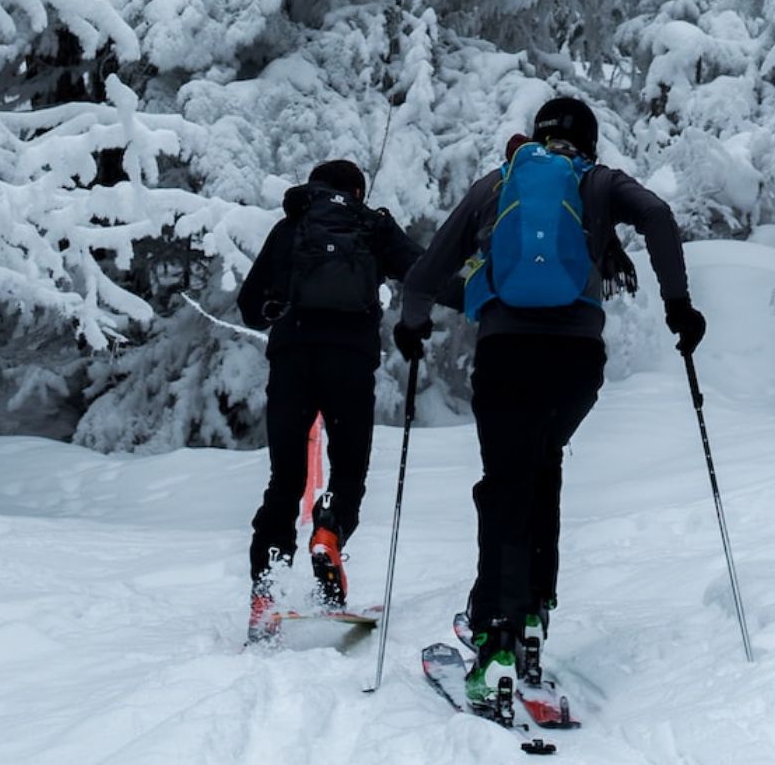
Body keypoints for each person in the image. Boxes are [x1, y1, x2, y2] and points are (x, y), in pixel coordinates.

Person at [394, 96, 702, 715]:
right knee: (543, 472)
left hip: (508, 352)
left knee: (505, 485)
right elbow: (660, 217)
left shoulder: (499, 184)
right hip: (576, 363)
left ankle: (497, 643)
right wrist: (678, 306)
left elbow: (427, 270)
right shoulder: (598, 182)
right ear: (589, 141)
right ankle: (532, 619)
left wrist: (412, 325)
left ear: (536, 137)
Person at [234, 158, 421, 641]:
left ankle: (267, 589)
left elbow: (250, 305)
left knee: (286, 478)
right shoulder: (372, 226)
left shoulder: (291, 226)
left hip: (294, 359)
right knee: (349, 470)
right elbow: (424, 272)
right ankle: (329, 533)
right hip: (351, 362)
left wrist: (277, 306)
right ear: (357, 190)